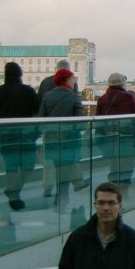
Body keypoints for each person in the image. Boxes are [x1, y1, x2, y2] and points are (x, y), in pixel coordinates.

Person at [0, 62, 40, 210]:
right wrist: (36, 134)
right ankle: (14, 190)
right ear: (20, 74)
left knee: (11, 167)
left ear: (5, 74)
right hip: (26, 136)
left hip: (5, 136)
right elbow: (39, 113)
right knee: (29, 165)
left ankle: (14, 195)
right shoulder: (28, 91)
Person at [37, 68, 89, 208]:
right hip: (69, 140)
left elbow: (41, 118)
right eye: (73, 79)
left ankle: (61, 198)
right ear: (67, 80)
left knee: (58, 167)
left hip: (51, 139)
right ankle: (62, 198)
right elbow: (81, 124)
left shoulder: (47, 96)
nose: (74, 82)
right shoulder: (74, 97)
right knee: (65, 169)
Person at [37, 58, 78, 197]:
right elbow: (76, 108)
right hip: (67, 133)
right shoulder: (72, 87)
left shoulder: (45, 83)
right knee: (66, 162)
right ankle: (65, 191)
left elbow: (40, 109)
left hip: (49, 132)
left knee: (49, 163)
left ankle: (47, 187)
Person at [95, 73, 135, 188]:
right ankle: (124, 188)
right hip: (126, 138)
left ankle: (114, 186)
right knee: (128, 162)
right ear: (122, 83)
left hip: (110, 138)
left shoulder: (102, 99)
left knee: (114, 164)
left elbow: (98, 121)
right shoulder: (129, 97)